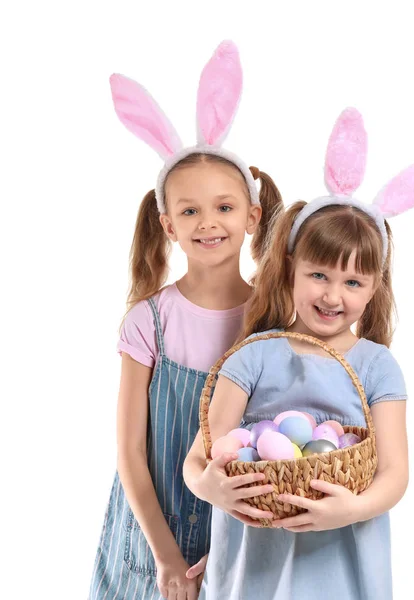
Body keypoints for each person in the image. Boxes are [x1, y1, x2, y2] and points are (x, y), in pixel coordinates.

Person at [184, 107, 414, 599]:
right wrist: (212, 488)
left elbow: (395, 473)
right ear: (291, 267)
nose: (333, 296)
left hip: (339, 556)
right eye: (319, 275)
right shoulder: (253, 356)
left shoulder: (376, 366)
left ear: (373, 289)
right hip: (257, 557)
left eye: (353, 282)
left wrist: (349, 509)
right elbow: (201, 457)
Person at [89, 41, 283, 600]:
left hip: (240, 541)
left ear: (251, 216)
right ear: (168, 223)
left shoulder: (270, 319)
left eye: (224, 207)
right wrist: (167, 559)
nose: (208, 223)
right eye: (189, 210)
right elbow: (129, 451)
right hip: (151, 542)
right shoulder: (149, 320)